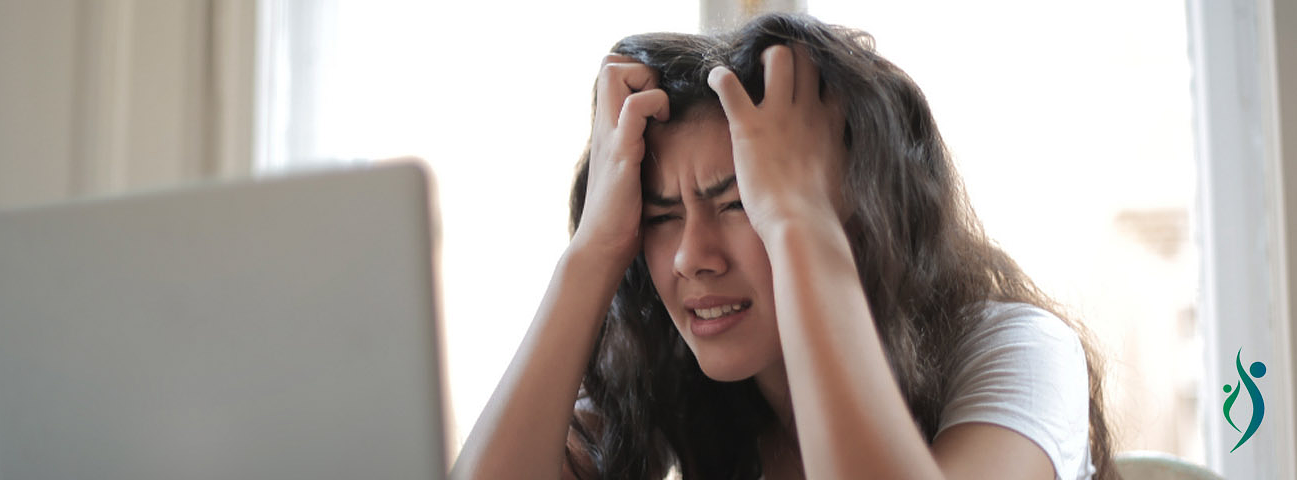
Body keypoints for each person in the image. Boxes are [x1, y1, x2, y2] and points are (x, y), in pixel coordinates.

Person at [451, 12, 1117, 480]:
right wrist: (593, 249)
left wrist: (798, 221)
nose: (691, 257)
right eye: (660, 216)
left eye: (741, 203)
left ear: (863, 208)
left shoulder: (1020, 351)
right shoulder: (663, 368)